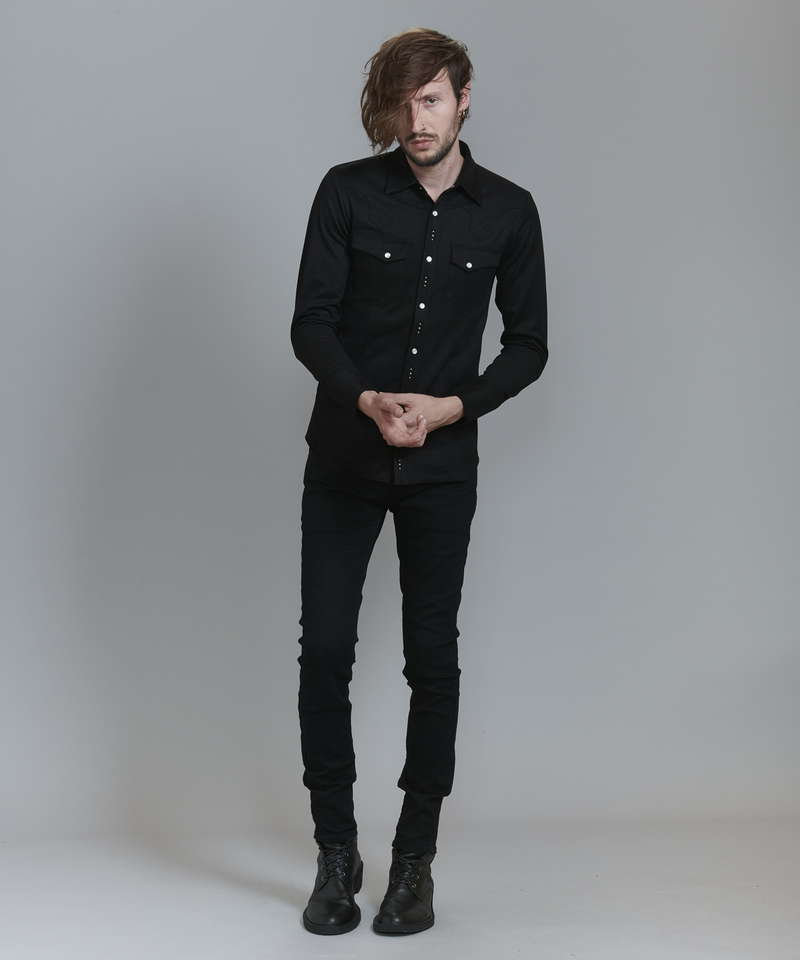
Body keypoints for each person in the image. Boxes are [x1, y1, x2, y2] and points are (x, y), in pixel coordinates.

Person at [291, 26, 548, 936]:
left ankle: (413, 862)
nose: (417, 121)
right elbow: (310, 321)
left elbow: (529, 345)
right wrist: (364, 398)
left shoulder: (508, 210)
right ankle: (335, 855)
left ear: (464, 97)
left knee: (431, 660)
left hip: (441, 469)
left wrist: (453, 407)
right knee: (326, 651)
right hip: (345, 458)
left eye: (431, 99)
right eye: (402, 104)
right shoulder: (346, 192)